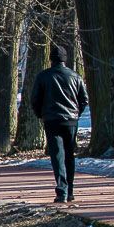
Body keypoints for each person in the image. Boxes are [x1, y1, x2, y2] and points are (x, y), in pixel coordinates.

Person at [31, 45, 88, 203]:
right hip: (70, 121)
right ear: (65, 59)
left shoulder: (43, 76)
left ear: (51, 59)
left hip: (52, 120)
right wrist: (76, 113)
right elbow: (84, 100)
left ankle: (62, 190)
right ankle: (69, 191)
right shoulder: (75, 76)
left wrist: (41, 114)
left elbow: (35, 100)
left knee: (57, 157)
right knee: (69, 155)